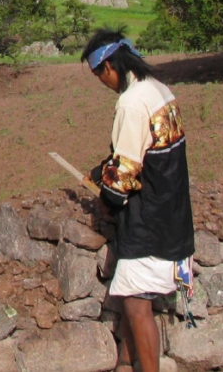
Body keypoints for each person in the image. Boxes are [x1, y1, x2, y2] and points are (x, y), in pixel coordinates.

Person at [81, 28, 194, 372]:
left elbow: (126, 173)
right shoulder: (159, 89)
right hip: (173, 210)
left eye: (98, 73)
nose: (101, 81)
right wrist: (105, 168)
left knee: (135, 304)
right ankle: (126, 362)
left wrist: (105, 193)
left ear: (110, 66)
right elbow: (150, 152)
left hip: (149, 221)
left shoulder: (130, 102)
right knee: (135, 296)